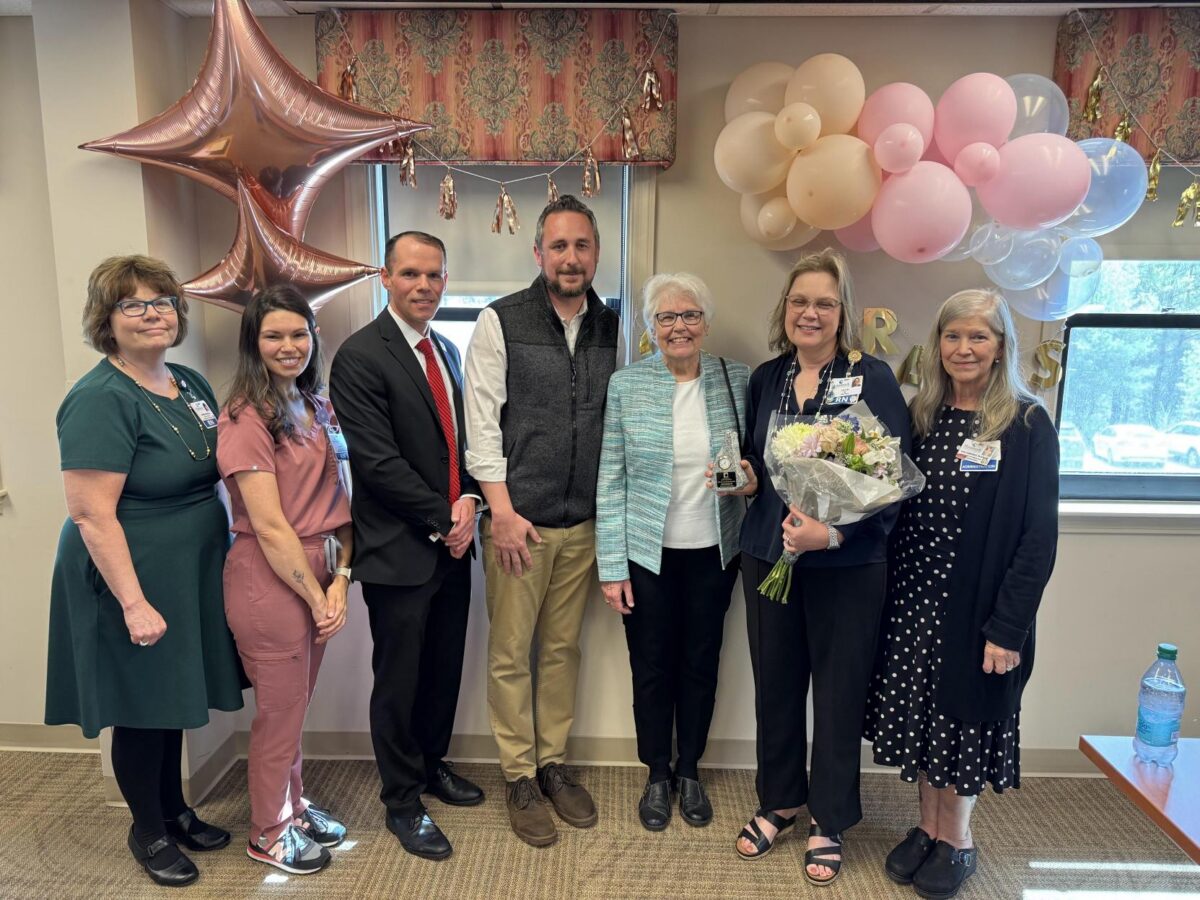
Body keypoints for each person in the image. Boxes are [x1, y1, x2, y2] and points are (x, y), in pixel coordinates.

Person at [45, 255, 244, 887]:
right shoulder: (99, 398)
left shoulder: (188, 383)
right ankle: (148, 831)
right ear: (106, 320)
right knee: (141, 704)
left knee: (171, 698)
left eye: (162, 301)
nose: (152, 313)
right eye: (133, 304)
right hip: (128, 574)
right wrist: (133, 602)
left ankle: (175, 809)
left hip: (186, 570)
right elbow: (91, 515)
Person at [866, 289, 1058, 900]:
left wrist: (1009, 627)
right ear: (938, 345)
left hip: (979, 612)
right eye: (953, 336)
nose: (964, 348)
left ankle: (959, 839)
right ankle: (926, 827)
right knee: (924, 719)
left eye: (978, 336)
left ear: (1001, 345)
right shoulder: (923, 417)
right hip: (914, 602)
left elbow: (1038, 537)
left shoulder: (1026, 424)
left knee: (964, 722)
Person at [727, 248, 910, 884]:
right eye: (800, 301)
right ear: (786, 309)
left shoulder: (872, 378)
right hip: (767, 556)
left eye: (824, 303)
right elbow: (762, 464)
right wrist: (748, 483)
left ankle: (828, 818)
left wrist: (830, 533)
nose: (810, 312)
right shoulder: (766, 377)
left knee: (837, 695)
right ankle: (779, 799)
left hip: (846, 566)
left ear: (842, 313)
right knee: (775, 686)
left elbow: (888, 481)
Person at [464, 195, 623, 847]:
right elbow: (480, 424)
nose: (571, 257)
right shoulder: (500, 321)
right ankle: (519, 775)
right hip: (517, 525)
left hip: (581, 524)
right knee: (509, 655)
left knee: (561, 650)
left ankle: (552, 764)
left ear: (595, 253)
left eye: (582, 246)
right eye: (558, 246)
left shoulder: (612, 326)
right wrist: (499, 511)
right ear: (538, 253)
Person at [329, 231, 483, 862]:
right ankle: (401, 799)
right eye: (412, 274)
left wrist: (469, 500)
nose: (425, 285)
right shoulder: (360, 355)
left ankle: (430, 764)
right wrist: (442, 517)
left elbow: (463, 443)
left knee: (444, 665)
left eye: (436, 275)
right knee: (398, 676)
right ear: (385, 278)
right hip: (400, 549)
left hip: (453, 540)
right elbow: (377, 461)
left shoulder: (445, 349)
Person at [595, 272, 748, 831]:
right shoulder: (627, 386)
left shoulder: (737, 379)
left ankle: (691, 769)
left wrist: (746, 482)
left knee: (701, 663)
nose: (678, 326)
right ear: (650, 327)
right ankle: (657, 771)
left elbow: (753, 463)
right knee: (652, 666)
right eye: (666, 317)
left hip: (715, 552)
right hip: (646, 554)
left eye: (689, 316)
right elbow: (611, 479)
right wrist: (611, 566)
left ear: (706, 324)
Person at [217, 285, 352, 875]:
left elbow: (340, 500)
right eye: (274, 334)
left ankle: (292, 806)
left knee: (296, 705)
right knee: (279, 713)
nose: (289, 345)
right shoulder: (246, 416)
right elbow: (270, 526)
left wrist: (342, 578)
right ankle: (268, 831)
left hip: (320, 568)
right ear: (254, 342)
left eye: (299, 333)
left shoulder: (315, 405)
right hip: (271, 578)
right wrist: (318, 594)